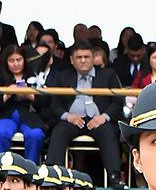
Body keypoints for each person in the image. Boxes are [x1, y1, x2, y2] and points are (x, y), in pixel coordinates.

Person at [44, 43, 124, 181]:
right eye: (79, 57)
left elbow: (117, 103)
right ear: (71, 60)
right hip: (73, 120)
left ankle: (114, 176)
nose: (83, 60)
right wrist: (67, 116)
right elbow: (54, 105)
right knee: (59, 131)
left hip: (99, 121)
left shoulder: (108, 74)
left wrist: (103, 118)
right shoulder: (62, 76)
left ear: (93, 58)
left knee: (109, 132)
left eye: (86, 57)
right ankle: (53, 175)